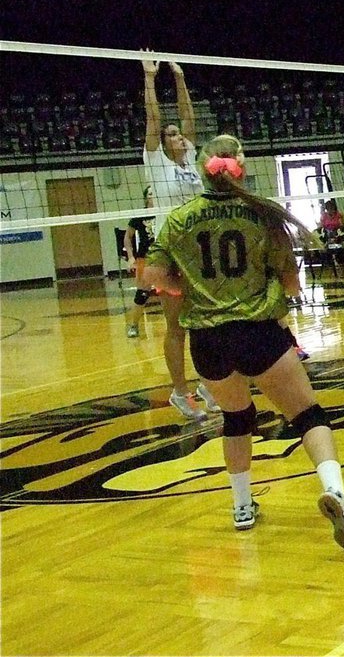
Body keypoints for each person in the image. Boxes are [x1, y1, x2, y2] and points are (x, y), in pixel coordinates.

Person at [144, 134, 344, 550]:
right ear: (240, 167)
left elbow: (151, 279)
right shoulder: (262, 216)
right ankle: (336, 493)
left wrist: (185, 287)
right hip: (258, 333)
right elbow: (293, 284)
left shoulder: (177, 219)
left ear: (203, 170)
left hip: (208, 342)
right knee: (307, 415)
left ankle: (242, 507)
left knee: (237, 419)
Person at [142, 55, 219, 420]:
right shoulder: (155, 160)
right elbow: (154, 119)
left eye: (178, 134)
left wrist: (181, 78)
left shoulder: (190, 157)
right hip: (168, 253)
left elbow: (188, 116)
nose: (176, 136)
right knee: (177, 326)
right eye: (170, 134)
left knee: (207, 319)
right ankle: (179, 392)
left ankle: (208, 383)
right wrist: (150, 77)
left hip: (197, 250)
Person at [124, 185, 155, 338]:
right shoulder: (140, 215)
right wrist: (130, 258)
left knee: (177, 292)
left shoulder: (166, 212)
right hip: (145, 258)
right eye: (150, 194)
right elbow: (127, 237)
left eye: (154, 193)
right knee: (142, 293)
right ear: (145, 198)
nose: (152, 196)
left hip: (165, 257)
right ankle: (134, 325)